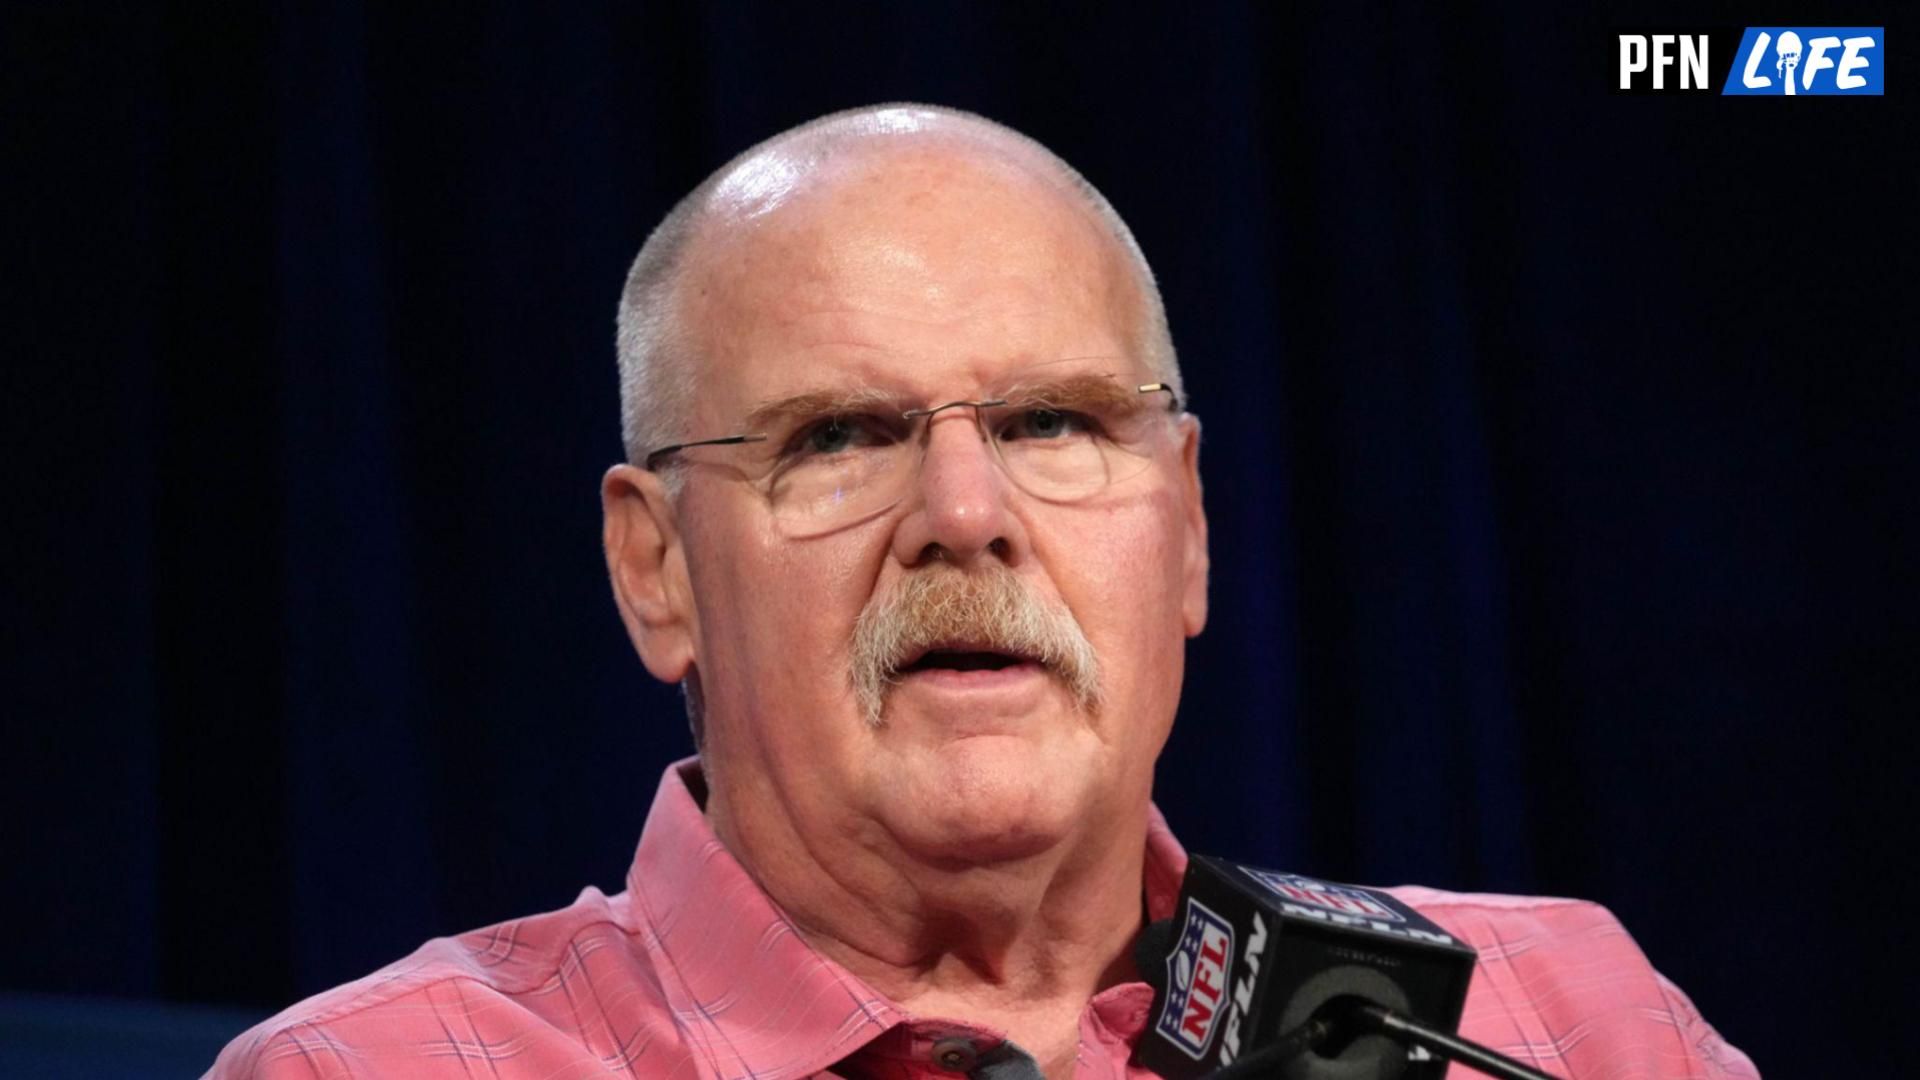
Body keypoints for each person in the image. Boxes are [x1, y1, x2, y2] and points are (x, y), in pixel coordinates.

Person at [208, 104, 1756, 1079]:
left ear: (1192, 532)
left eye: (1053, 425)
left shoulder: (1555, 1025)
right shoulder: (388, 1070)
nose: (966, 515)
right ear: (656, 567)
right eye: (840, 439)